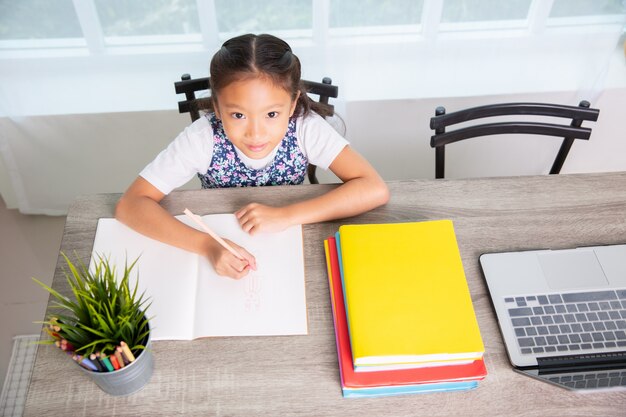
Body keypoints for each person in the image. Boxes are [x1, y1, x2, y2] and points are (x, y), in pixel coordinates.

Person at [115, 33, 389, 279]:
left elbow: (373, 188)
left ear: (292, 104)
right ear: (217, 107)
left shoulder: (305, 126)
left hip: (290, 240)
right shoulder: (202, 138)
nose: (256, 134)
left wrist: (286, 215)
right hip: (222, 236)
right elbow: (130, 205)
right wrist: (208, 245)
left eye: (271, 114)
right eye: (238, 115)